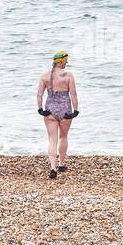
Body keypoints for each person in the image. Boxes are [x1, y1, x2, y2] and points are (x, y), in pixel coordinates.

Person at [36, 51, 79, 179]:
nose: (67, 63)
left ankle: (53, 167)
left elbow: (39, 94)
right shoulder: (69, 76)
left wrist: (40, 109)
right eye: (66, 60)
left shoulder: (45, 76)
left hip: (50, 109)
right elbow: (73, 95)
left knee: (52, 139)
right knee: (63, 136)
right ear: (60, 61)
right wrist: (76, 110)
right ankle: (62, 163)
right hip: (65, 109)